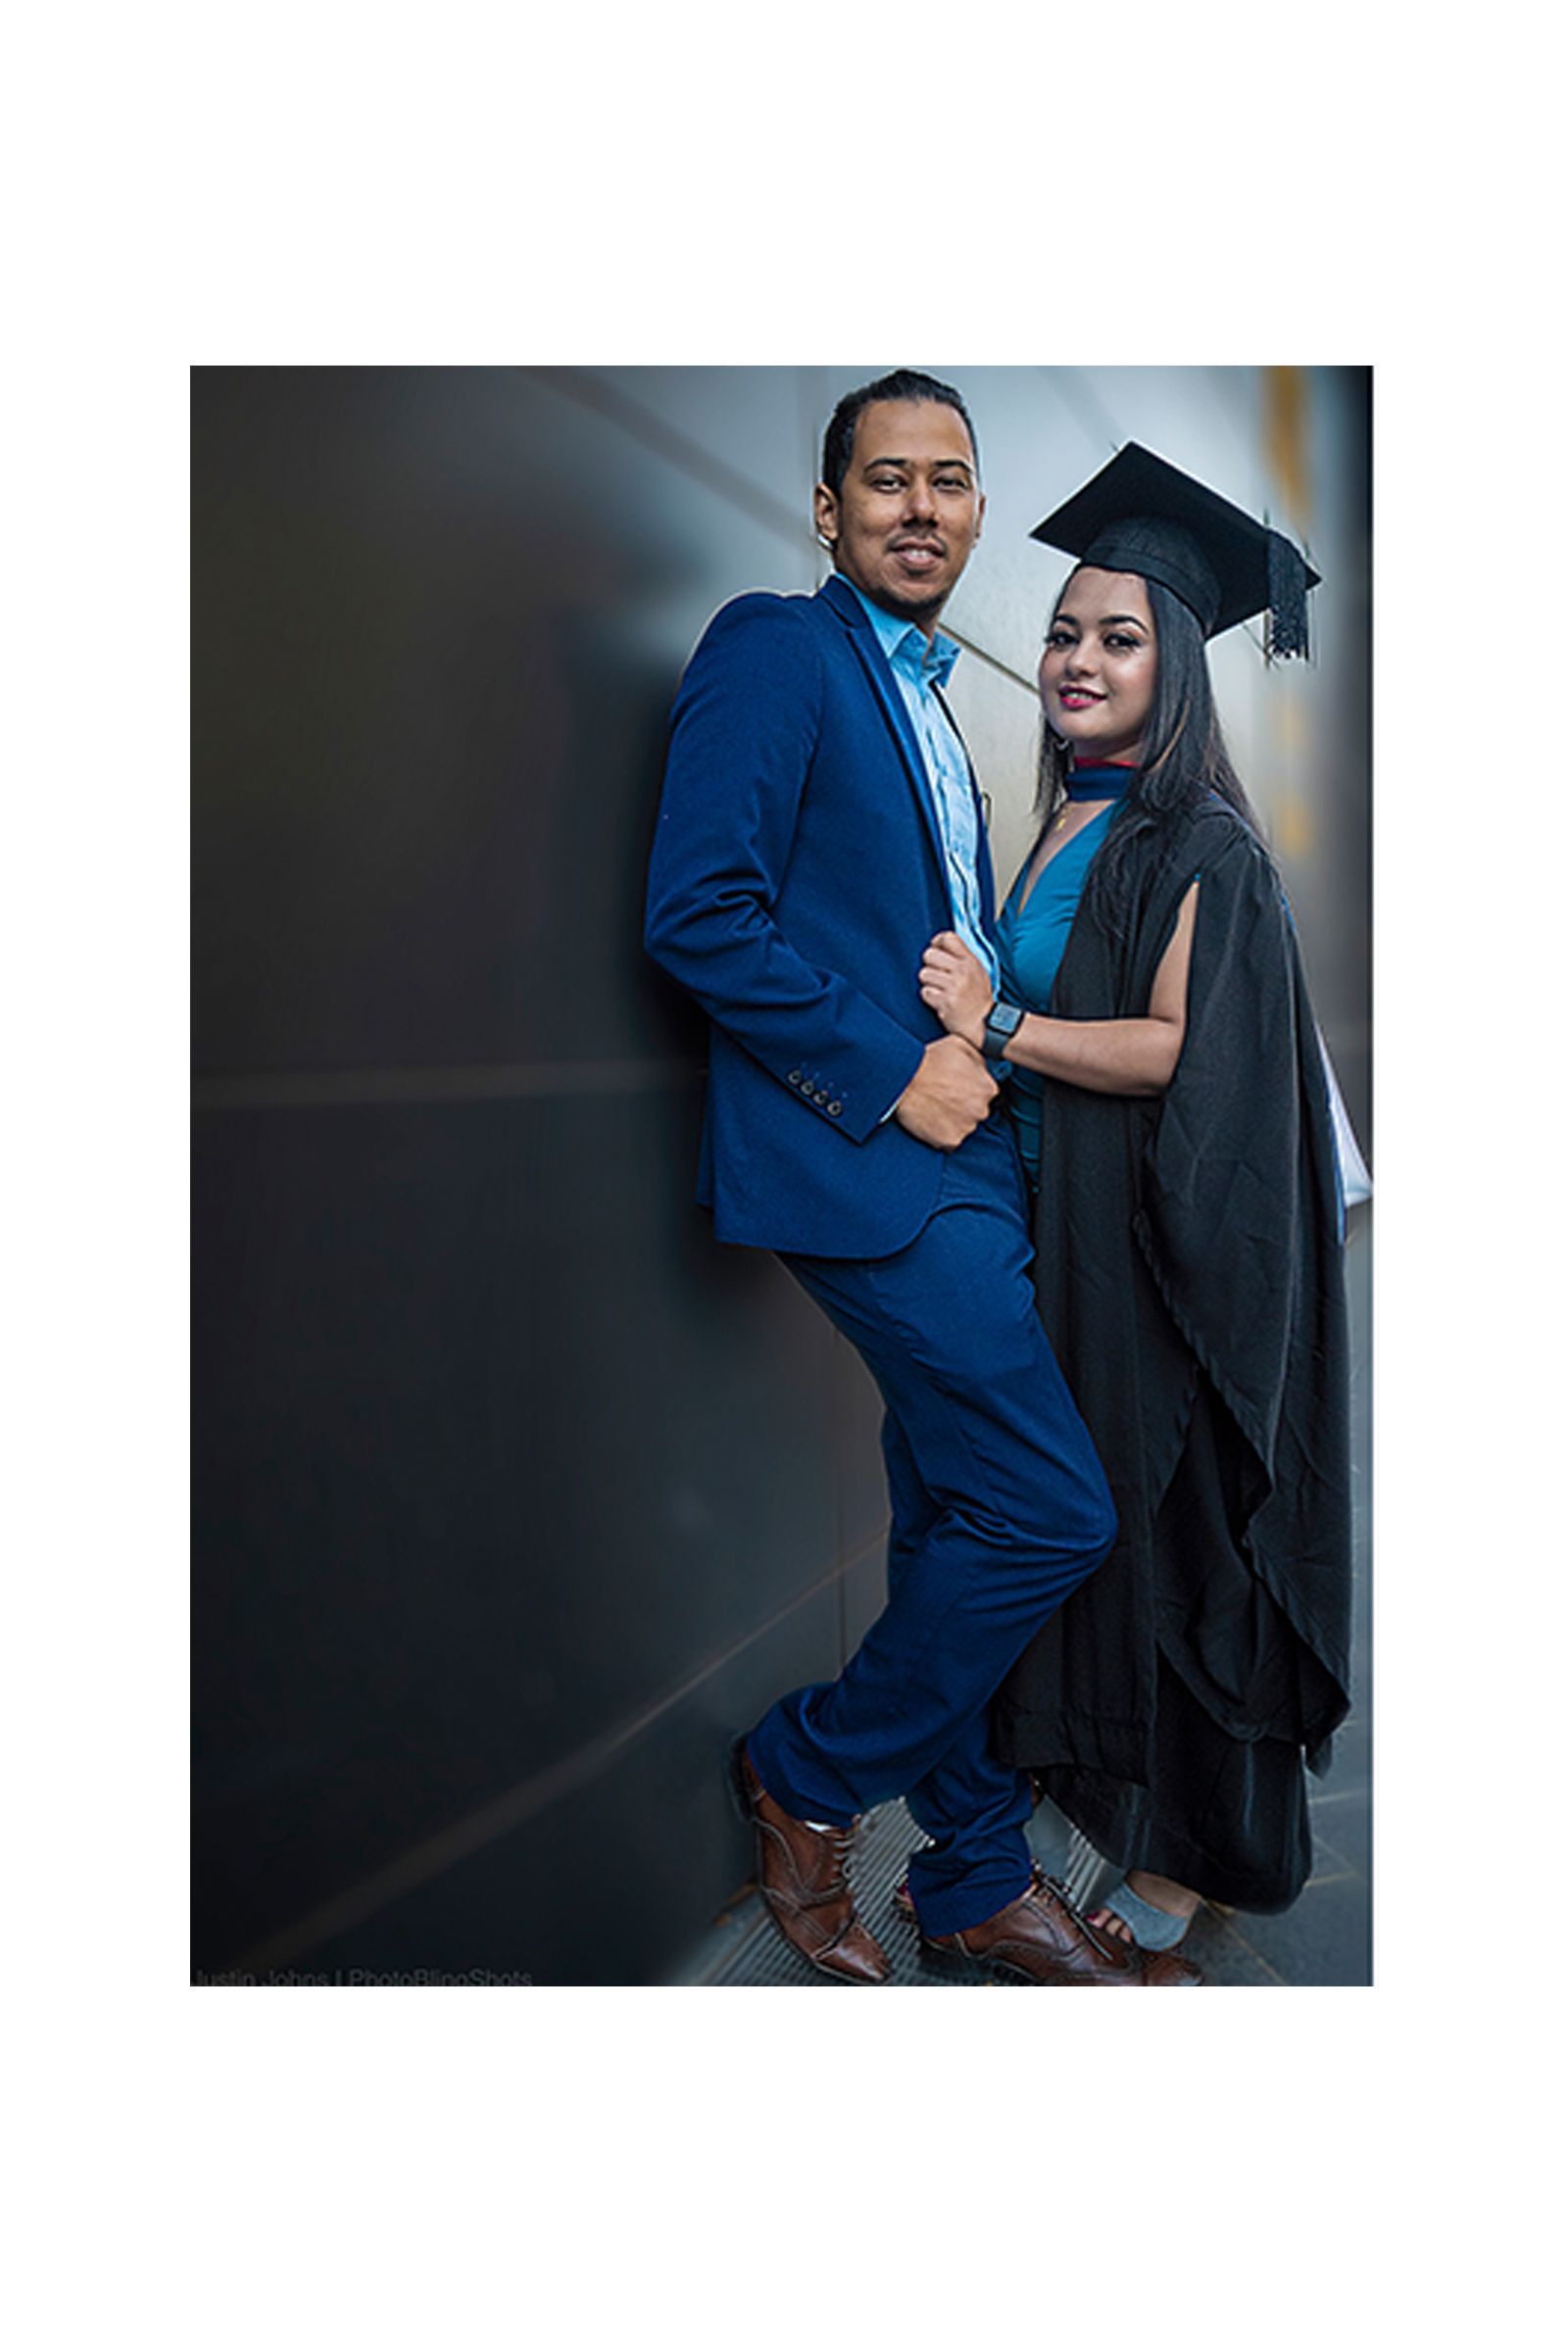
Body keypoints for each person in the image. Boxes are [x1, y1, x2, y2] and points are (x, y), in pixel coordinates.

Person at [645, 375, 1200, 1985]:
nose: (919, 505)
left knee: (956, 1510)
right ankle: (809, 1773)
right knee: (1047, 1508)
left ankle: (965, 1877)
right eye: (884, 479)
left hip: (965, 1169)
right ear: (829, 512)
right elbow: (700, 912)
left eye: (948, 480)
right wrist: (899, 1071)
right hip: (873, 1163)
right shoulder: (776, 646)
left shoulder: (940, 713)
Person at [917, 443, 1353, 1955]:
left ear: (1179, 669)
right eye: (1064, 632)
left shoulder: (1199, 845)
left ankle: (1192, 1871)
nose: (1080, 660)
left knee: (1186, 1558)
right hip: (1065, 1247)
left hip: (1162, 1273)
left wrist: (1000, 1028)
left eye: (1121, 637)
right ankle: (1112, 1815)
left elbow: (1178, 1052)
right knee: (1105, 1551)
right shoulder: (1072, 817)